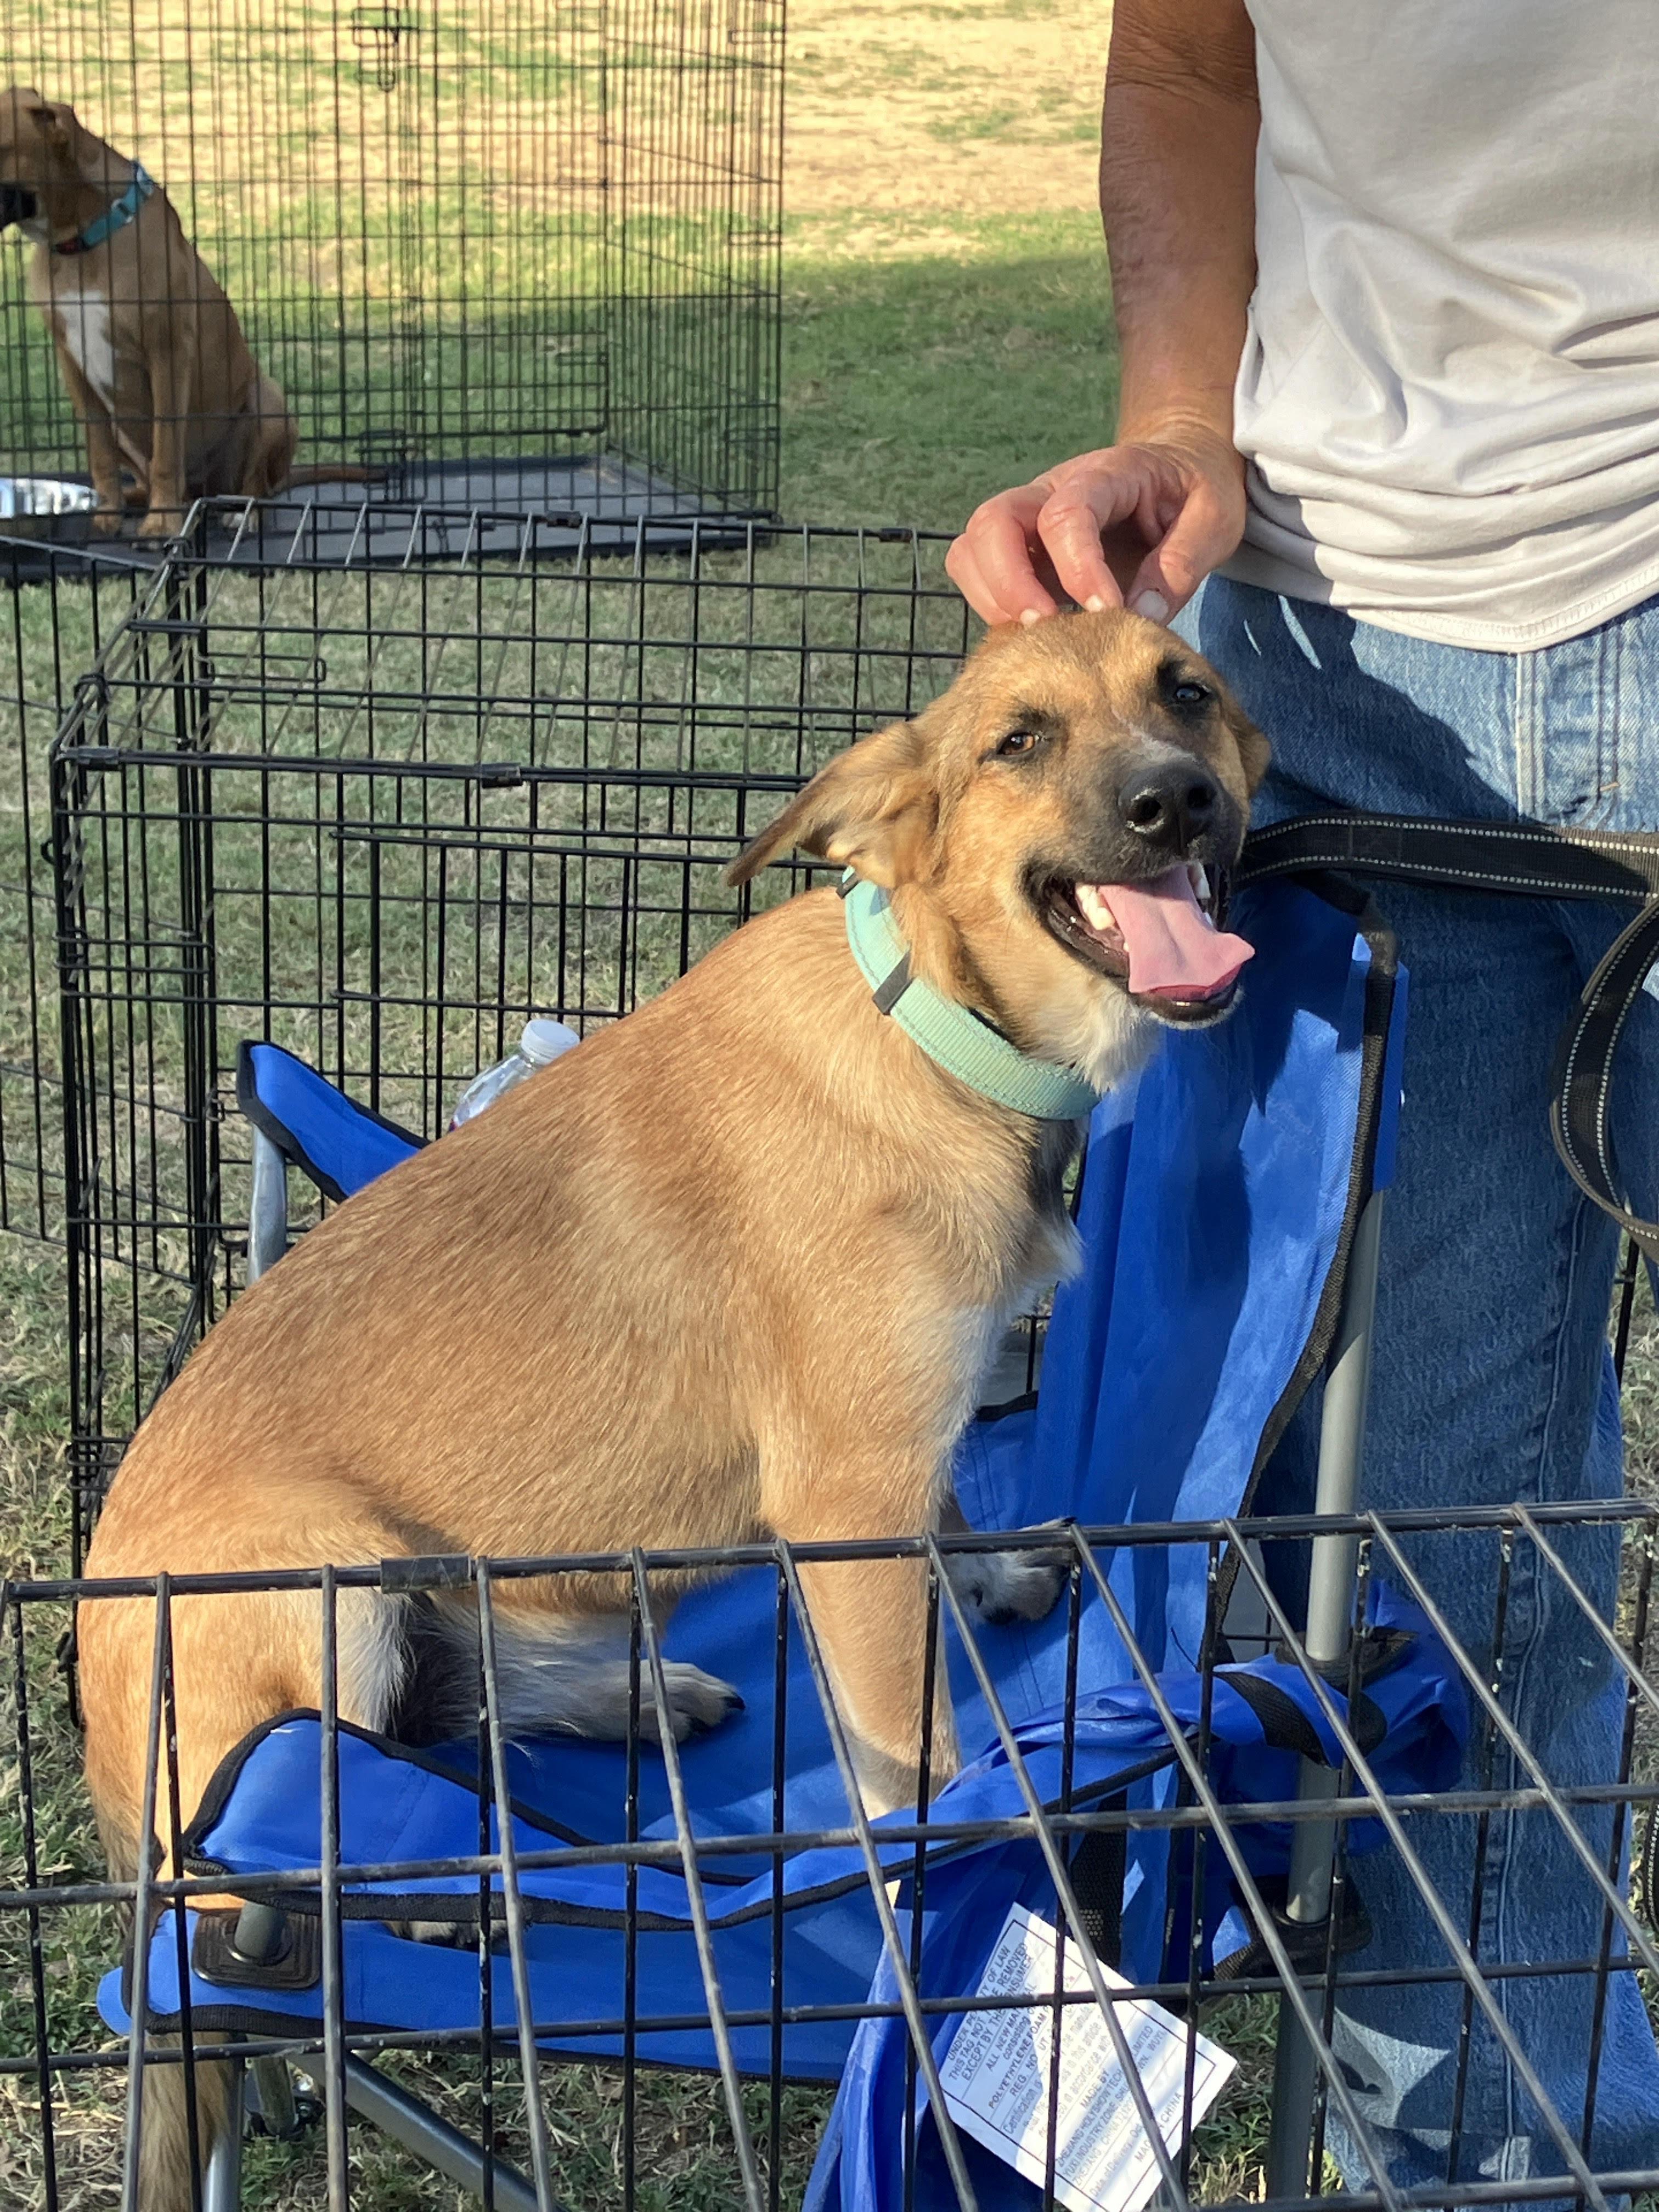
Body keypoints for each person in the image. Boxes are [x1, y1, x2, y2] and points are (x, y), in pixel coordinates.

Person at [948, 0, 1659, 2196]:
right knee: (1380, 1535)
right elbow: (1185, 56)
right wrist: (1181, 421)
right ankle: (1505, 2145)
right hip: (1318, 662)